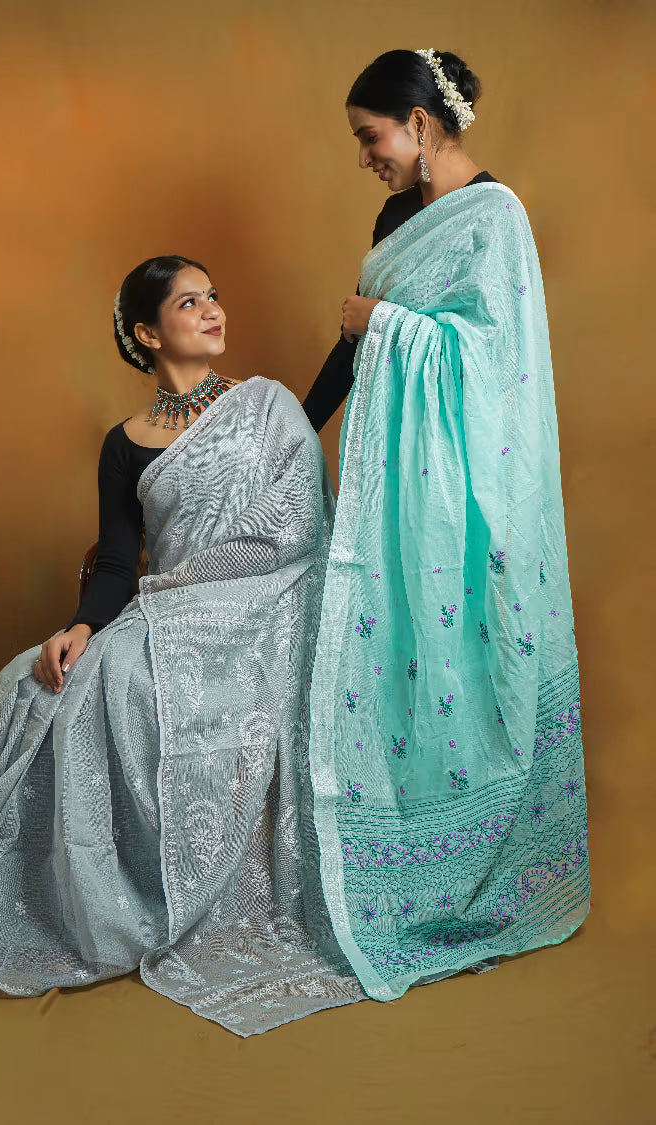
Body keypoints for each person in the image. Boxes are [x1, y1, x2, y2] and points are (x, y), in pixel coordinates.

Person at [0, 255, 365, 1035]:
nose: (214, 310)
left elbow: (293, 528)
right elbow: (120, 561)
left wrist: (359, 341)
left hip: (262, 613)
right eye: (192, 303)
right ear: (149, 333)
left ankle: (173, 886)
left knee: (120, 677)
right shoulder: (124, 445)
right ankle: (90, 899)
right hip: (169, 607)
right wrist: (80, 624)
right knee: (34, 680)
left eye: (214, 295)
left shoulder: (267, 407)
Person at [305, 50, 590, 1000]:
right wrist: (288, 434)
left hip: (467, 499)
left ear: (421, 125)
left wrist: (385, 322)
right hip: (394, 504)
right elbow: (353, 347)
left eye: (370, 136)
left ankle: (481, 867)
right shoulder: (400, 219)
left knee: (471, 658)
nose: (364, 158)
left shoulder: (496, 218)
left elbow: (497, 364)